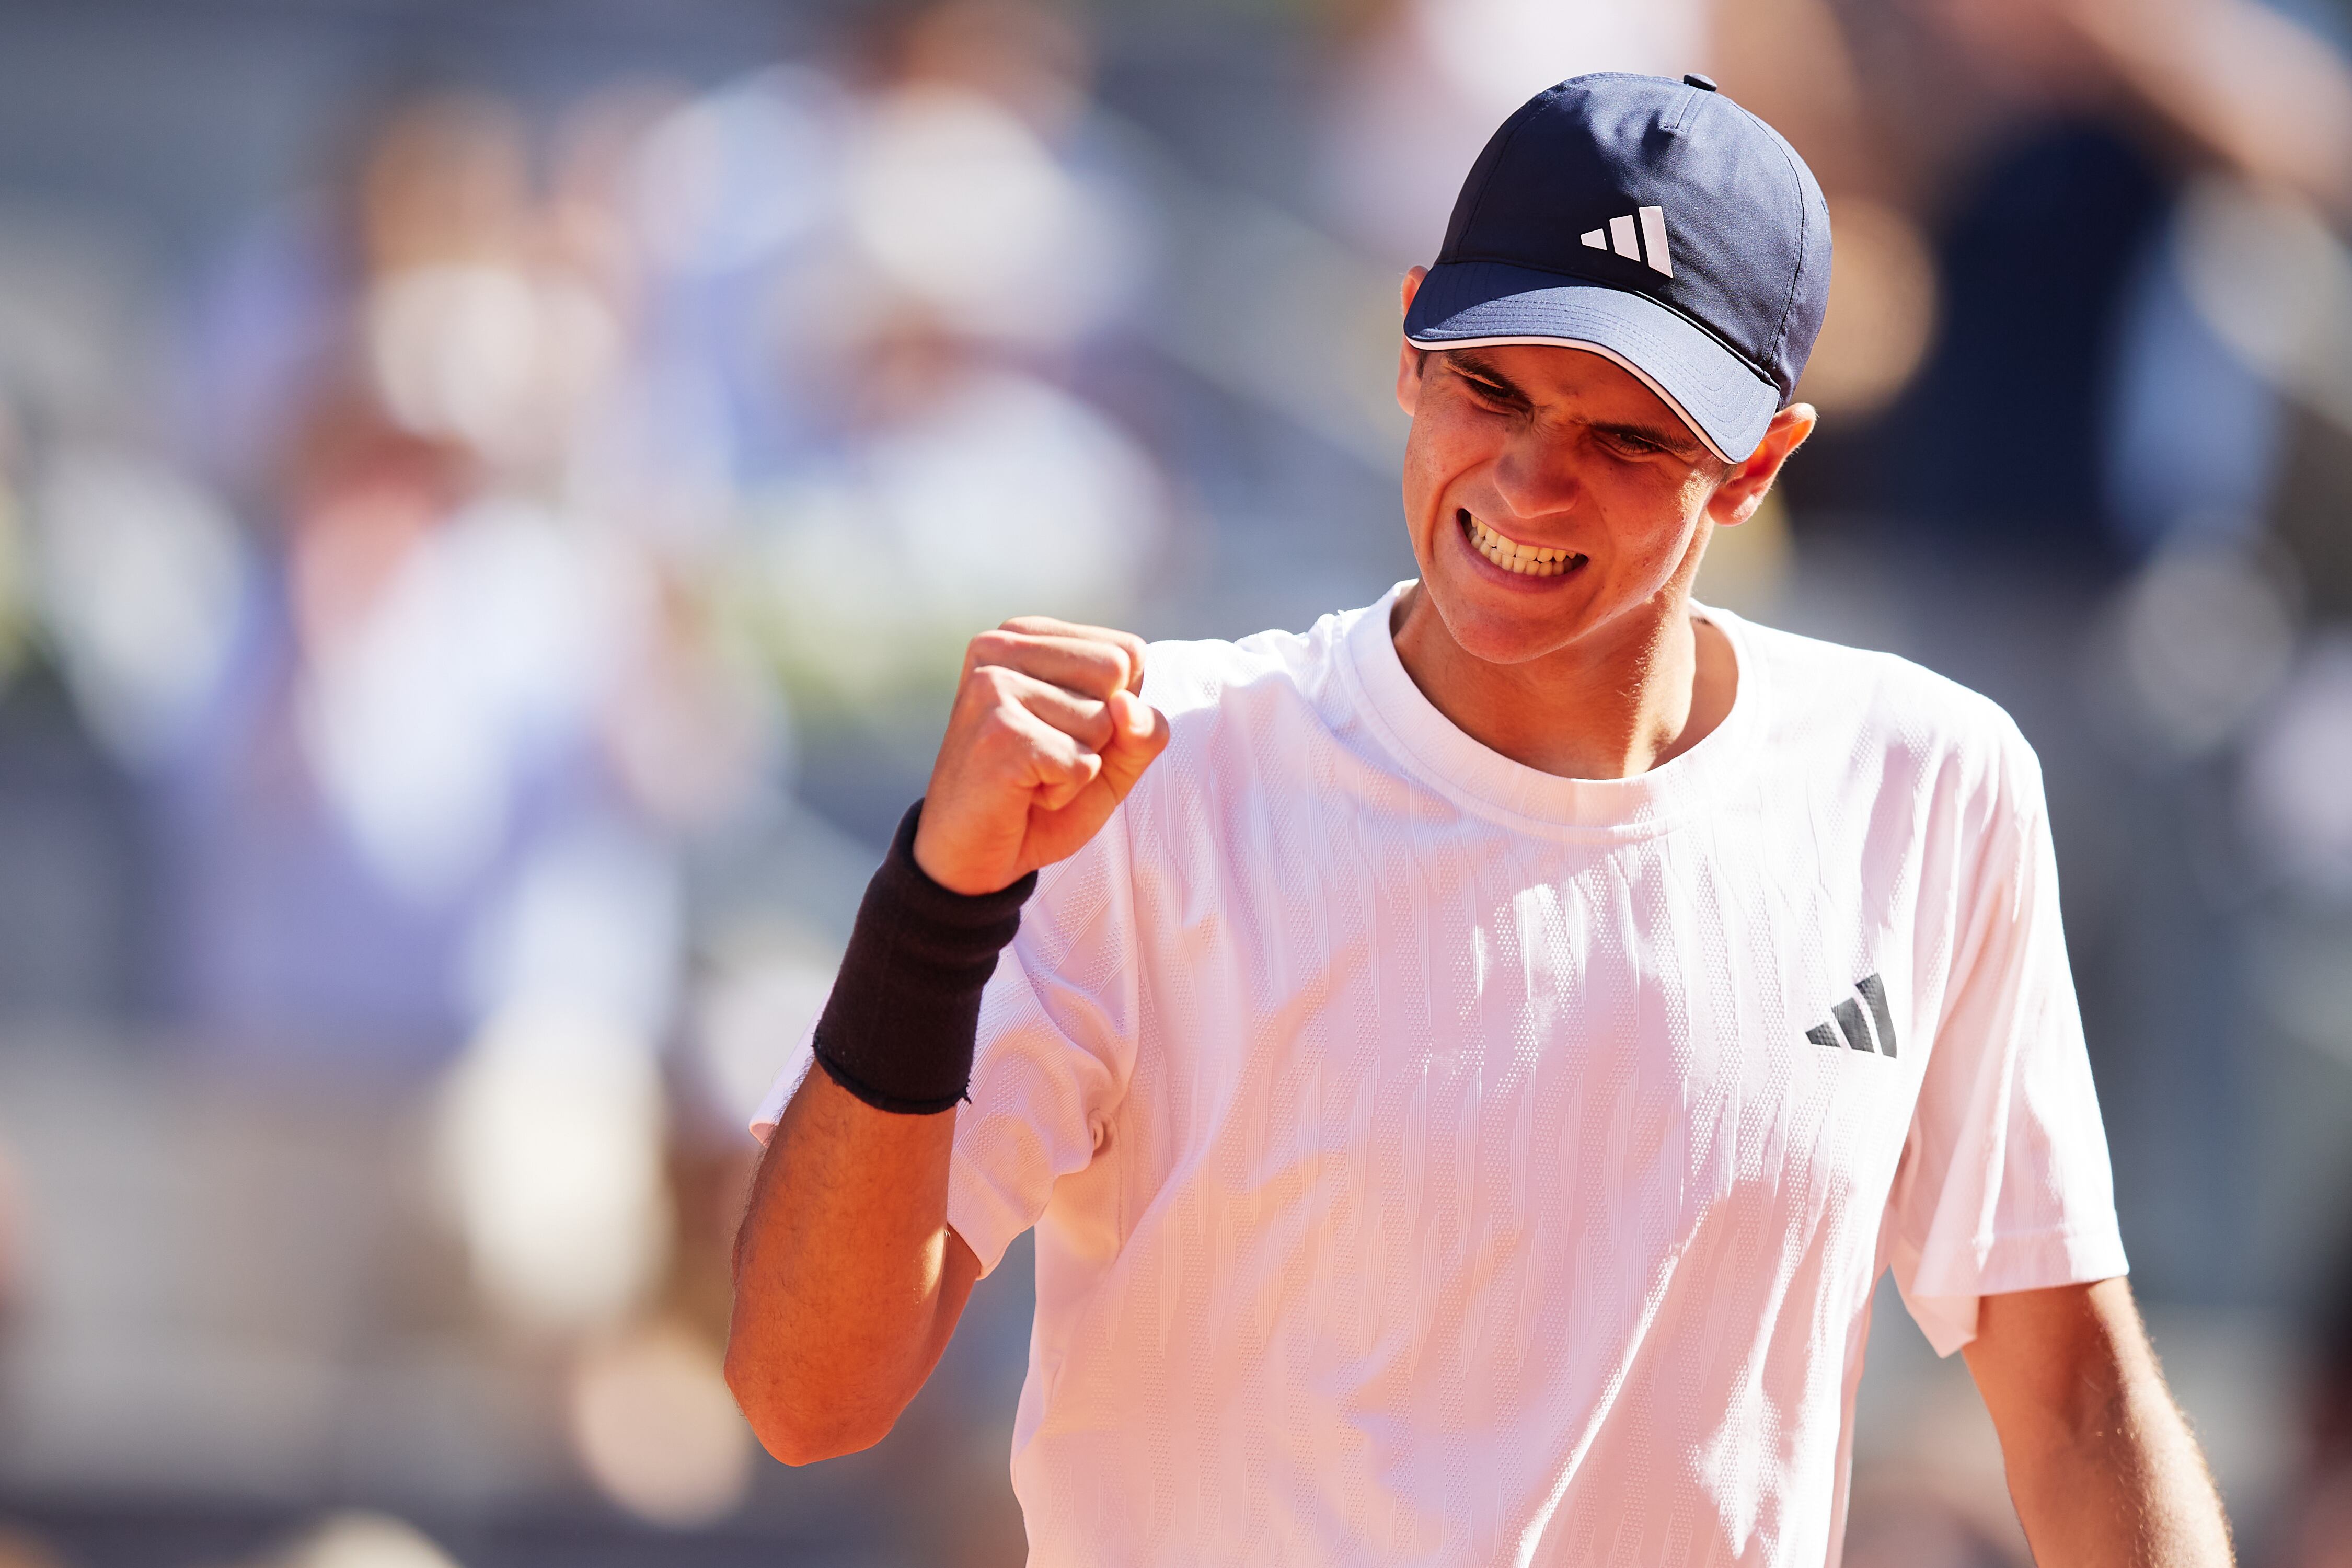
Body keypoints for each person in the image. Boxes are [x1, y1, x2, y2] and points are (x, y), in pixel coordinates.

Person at [727, 73, 2233, 1564]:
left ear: (1756, 466)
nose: (1526, 479)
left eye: (1628, 437)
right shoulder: (1145, 778)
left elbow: (2064, 1385)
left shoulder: (1929, 784)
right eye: (1488, 388)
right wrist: (933, 904)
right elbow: (807, 1394)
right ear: (1407, 352)